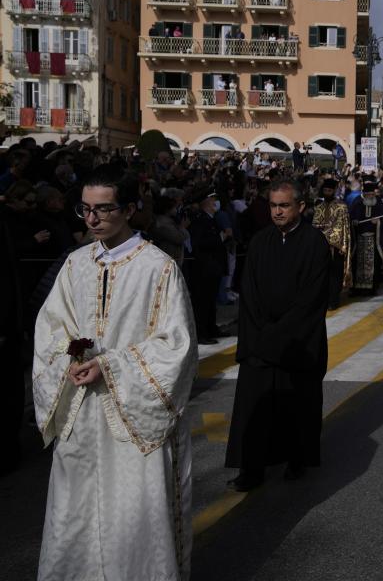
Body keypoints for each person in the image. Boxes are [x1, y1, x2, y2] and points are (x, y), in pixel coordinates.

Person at [33, 165, 197, 579]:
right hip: (83, 416)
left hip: (134, 419)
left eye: (103, 210)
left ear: (129, 209)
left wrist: (109, 364)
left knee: (134, 515)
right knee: (76, 512)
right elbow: (50, 329)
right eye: (85, 209)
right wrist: (68, 357)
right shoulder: (75, 265)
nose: (91, 220)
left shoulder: (158, 269)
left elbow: (176, 347)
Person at [225, 178, 330, 491]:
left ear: (300, 206)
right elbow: (250, 291)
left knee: (297, 403)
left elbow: (312, 298)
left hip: (297, 341)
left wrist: (280, 332)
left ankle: (296, 459)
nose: (278, 212)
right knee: (254, 405)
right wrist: (261, 333)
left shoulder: (314, 242)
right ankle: (251, 468)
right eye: (273, 205)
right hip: (260, 339)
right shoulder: (260, 241)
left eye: (284, 205)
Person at [187, 189, 227, 345]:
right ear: (206, 202)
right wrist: (221, 238)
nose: (215, 202)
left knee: (211, 301)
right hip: (204, 268)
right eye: (212, 200)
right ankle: (201, 333)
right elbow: (200, 243)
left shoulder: (211, 219)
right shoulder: (200, 220)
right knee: (202, 302)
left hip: (213, 267)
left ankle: (211, 328)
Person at [312, 178, 351, 309]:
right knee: (322, 275)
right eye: (325, 190)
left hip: (336, 246)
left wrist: (333, 239)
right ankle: (323, 300)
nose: (327, 193)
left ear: (334, 191)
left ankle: (333, 300)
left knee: (335, 275)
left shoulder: (342, 206)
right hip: (320, 246)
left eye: (329, 190)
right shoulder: (319, 206)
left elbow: (342, 226)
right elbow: (315, 224)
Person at [349, 181, 383, 295]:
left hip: (373, 240)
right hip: (359, 239)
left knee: (373, 265)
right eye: (368, 195)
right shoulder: (357, 204)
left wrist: (378, 222)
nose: (370, 196)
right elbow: (350, 218)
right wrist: (354, 222)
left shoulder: (379, 204)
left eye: (372, 194)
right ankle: (357, 288)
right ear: (364, 194)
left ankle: (371, 288)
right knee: (357, 264)